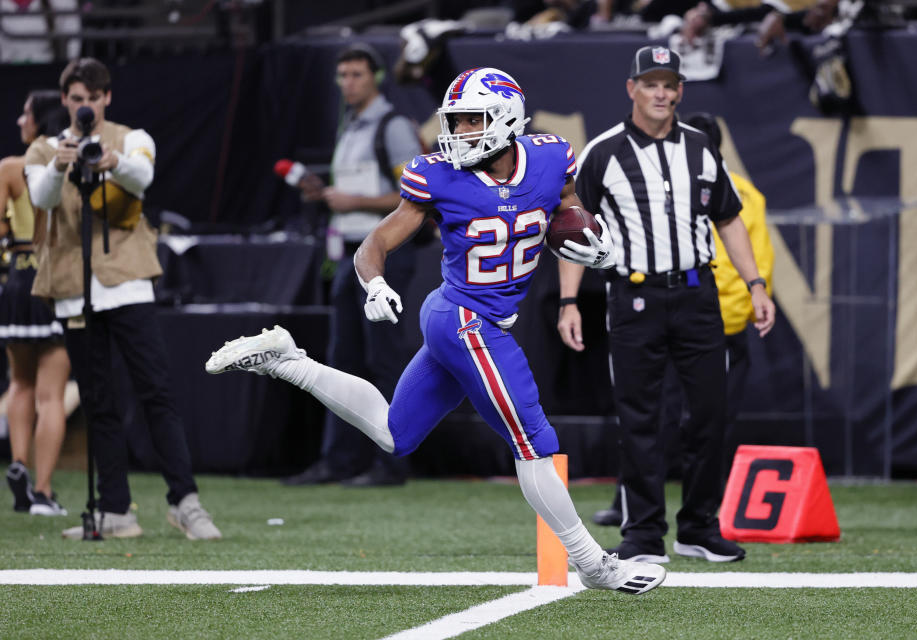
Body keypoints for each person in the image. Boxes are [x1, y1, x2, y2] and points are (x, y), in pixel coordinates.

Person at [206, 66, 666, 595]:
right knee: (535, 440)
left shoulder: (549, 156)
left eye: (472, 120)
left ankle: (288, 360)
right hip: (465, 319)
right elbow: (374, 243)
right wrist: (374, 284)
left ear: (507, 119)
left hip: (469, 320)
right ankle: (594, 565)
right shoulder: (439, 175)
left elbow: (566, 207)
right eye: (456, 121)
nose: (460, 132)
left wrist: (593, 236)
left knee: (394, 435)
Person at [557, 46, 775, 564]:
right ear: (631, 88)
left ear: (680, 91)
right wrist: (569, 300)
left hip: (699, 293)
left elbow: (727, 218)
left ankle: (699, 526)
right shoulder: (604, 151)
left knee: (709, 414)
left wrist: (757, 284)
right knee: (642, 417)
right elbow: (573, 227)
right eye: (651, 83)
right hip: (634, 294)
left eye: (670, 84)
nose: (662, 93)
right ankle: (643, 534)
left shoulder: (701, 147)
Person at [24, 57, 221, 540]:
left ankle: (185, 500)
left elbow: (142, 178)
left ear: (106, 98)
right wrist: (60, 162)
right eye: (76, 99)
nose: (84, 107)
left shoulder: (132, 138)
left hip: (127, 283)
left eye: (92, 98)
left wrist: (112, 161)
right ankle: (114, 509)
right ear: (65, 99)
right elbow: (43, 198)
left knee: (156, 390)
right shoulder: (45, 148)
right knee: (98, 401)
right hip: (74, 289)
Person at [591, 111, 775, 529]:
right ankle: (639, 511)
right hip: (691, 313)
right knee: (658, 415)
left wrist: (726, 309)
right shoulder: (659, 181)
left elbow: (739, 259)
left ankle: (699, 513)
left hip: (708, 317)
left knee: (693, 418)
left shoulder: (733, 191)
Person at [283, 43, 424, 488]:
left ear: (376, 78)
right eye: (342, 75)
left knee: (382, 358)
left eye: (357, 74)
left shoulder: (394, 126)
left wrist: (353, 201)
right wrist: (328, 197)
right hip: (349, 252)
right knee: (343, 360)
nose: (348, 83)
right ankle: (339, 460)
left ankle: (392, 463)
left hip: (386, 256)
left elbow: (416, 199)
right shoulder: (352, 127)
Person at [1, 90, 72, 516]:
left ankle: (19, 464)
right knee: (52, 395)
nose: (18, 120)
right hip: (55, 277)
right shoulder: (66, 162)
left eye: (24, 112)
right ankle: (43, 492)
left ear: (40, 119)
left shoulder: (9, 169)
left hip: (17, 279)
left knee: (19, 383)